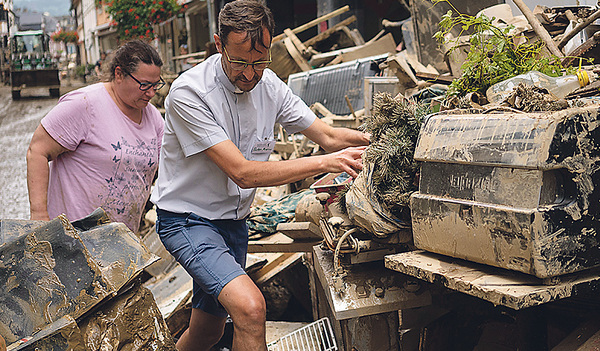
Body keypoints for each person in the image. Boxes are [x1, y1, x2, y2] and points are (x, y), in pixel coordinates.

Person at [150, 1, 370, 350]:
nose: (251, 74)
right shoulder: (190, 93)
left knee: (208, 331)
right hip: (188, 221)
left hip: (234, 223)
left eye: (260, 61)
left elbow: (328, 136)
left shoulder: (270, 85)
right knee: (251, 309)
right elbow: (243, 173)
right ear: (219, 44)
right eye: (240, 62)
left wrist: (377, 140)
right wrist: (327, 163)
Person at [27, 40, 165, 234]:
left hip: (121, 243)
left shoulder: (154, 119)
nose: (151, 93)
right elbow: (37, 151)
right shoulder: (85, 104)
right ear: (119, 74)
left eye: (156, 84)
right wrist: (39, 217)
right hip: (74, 239)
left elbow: (166, 168)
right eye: (144, 85)